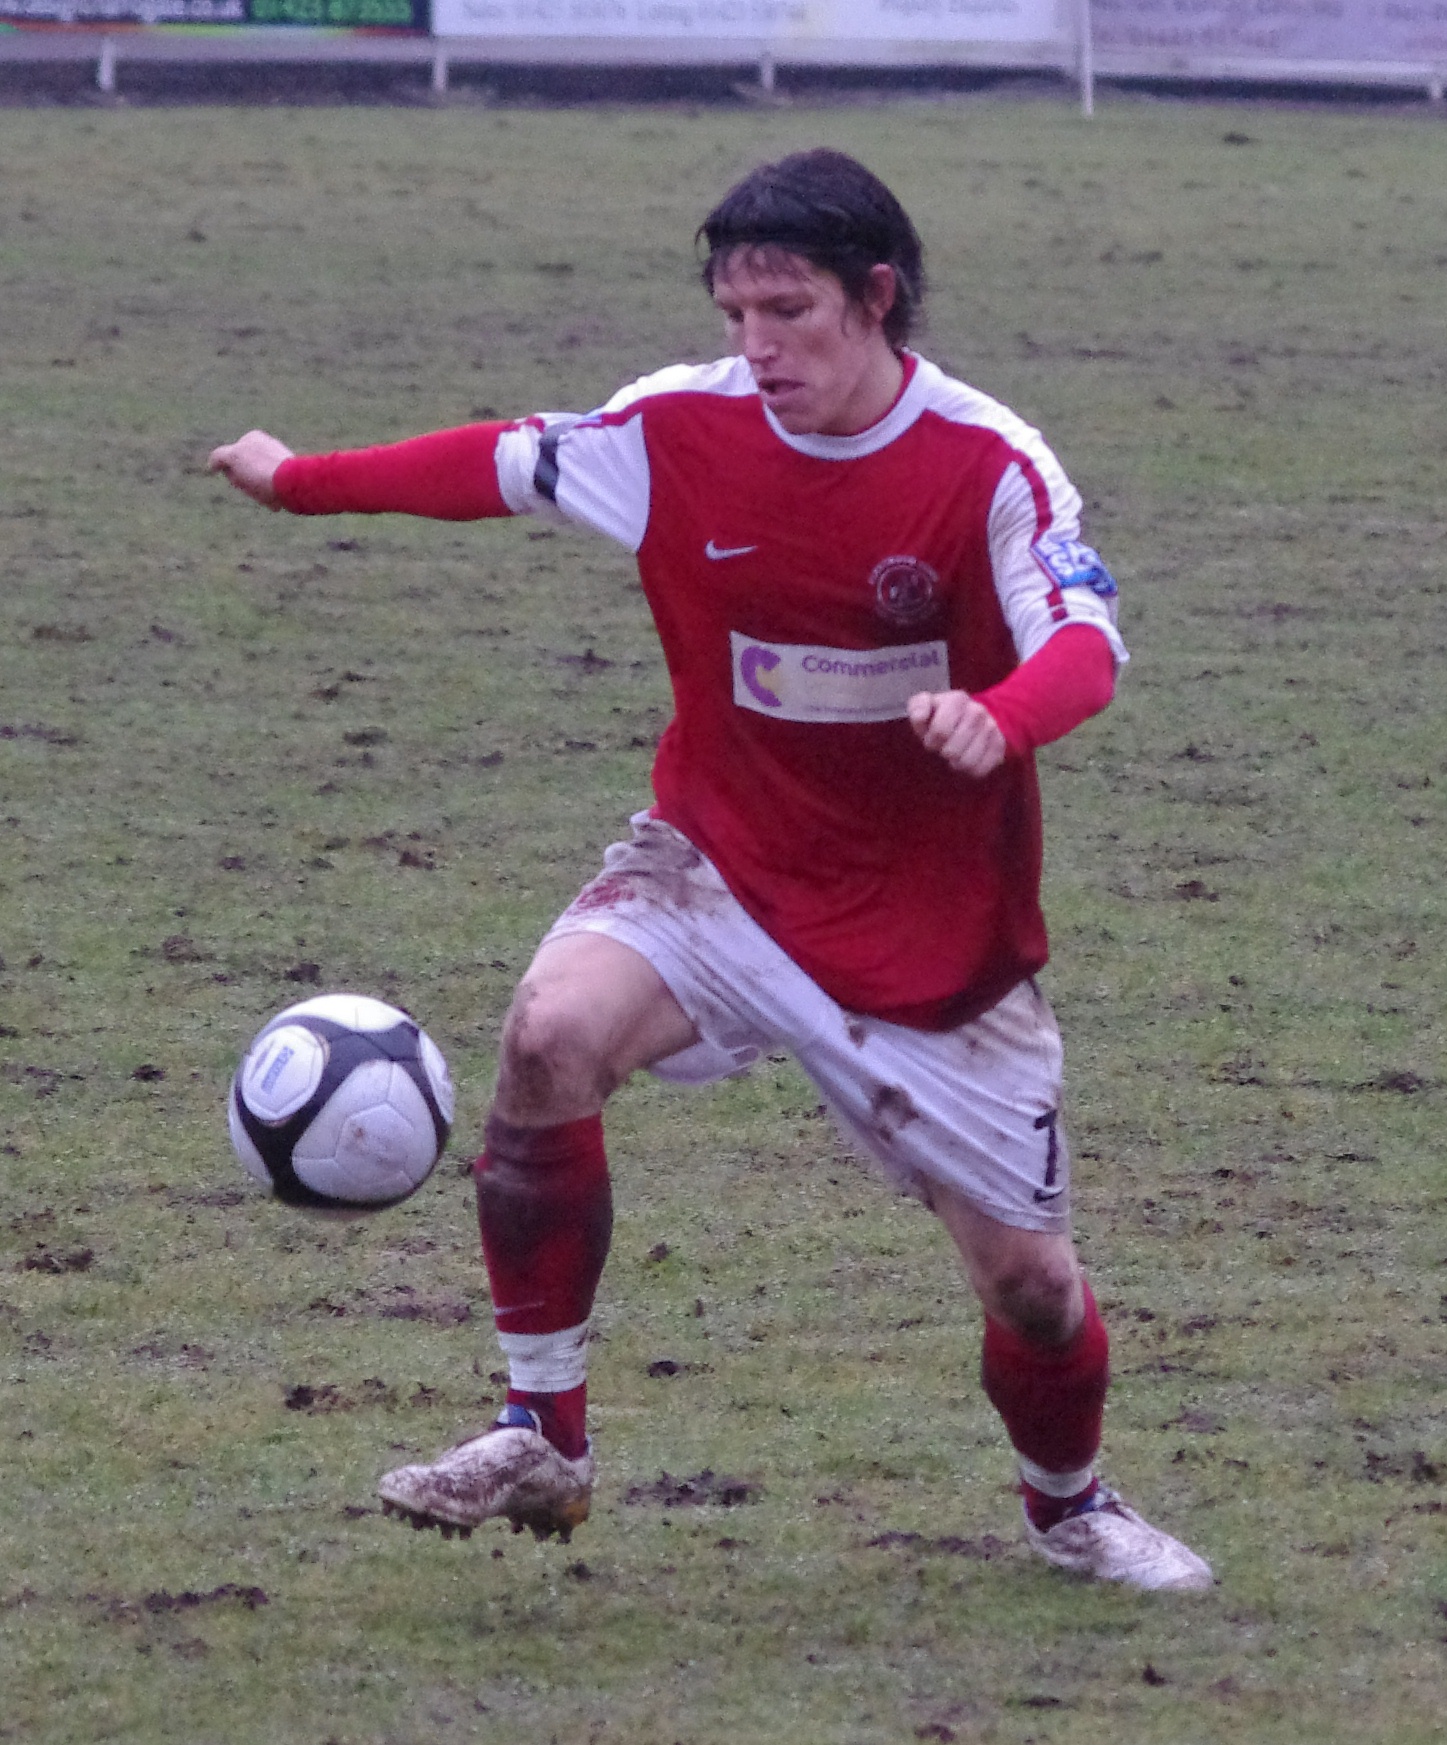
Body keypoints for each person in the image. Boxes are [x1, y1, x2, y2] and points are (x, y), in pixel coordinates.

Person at [210, 148, 1211, 1591]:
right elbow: (495, 462)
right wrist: (299, 481)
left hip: (929, 939)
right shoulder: (677, 427)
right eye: (734, 310)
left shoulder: (987, 463)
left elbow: (1086, 642)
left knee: (1034, 1288)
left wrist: (1001, 715)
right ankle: (540, 1426)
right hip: (717, 869)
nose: (754, 346)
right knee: (549, 1035)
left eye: (786, 311)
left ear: (875, 301)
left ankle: (1068, 1508)